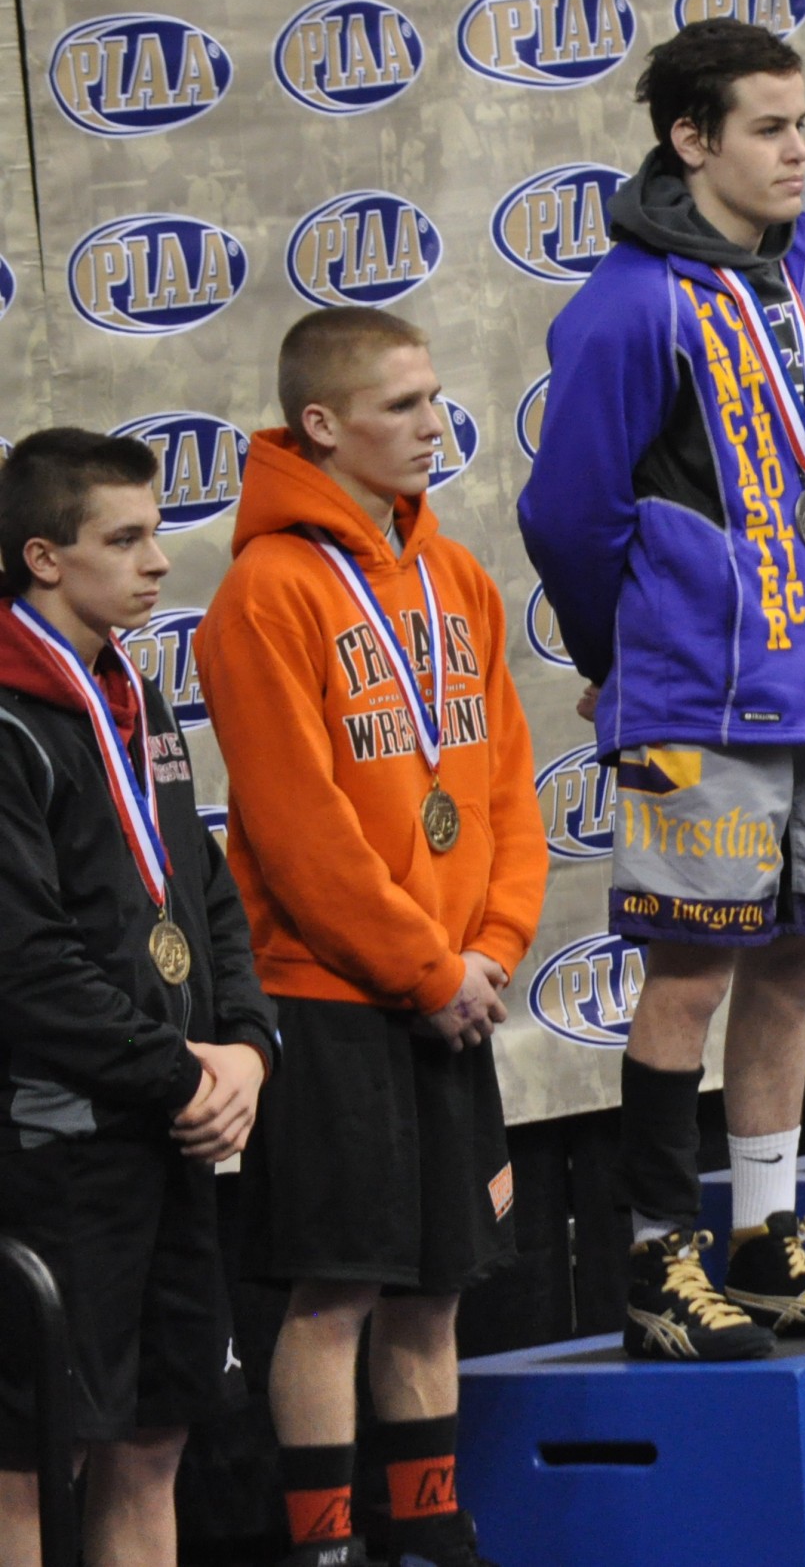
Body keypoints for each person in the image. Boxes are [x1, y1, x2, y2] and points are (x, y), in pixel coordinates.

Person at [520, 20, 805, 1360]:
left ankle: (765, 1244)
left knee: (800, 961)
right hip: (700, 698)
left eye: (802, 121)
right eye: (766, 126)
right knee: (689, 973)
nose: (798, 148)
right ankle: (654, 1265)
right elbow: (570, 513)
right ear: (691, 140)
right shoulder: (630, 304)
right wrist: (615, 654)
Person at [192, 312, 542, 1567]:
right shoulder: (262, 594)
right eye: (400, 406)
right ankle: (326, 1542)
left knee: (436, 1283)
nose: (434, 425)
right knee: (337, 1284)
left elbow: (506, 780)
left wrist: (492, 941)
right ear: (324, 425)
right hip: (332, 992)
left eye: (437, 399)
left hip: (456, 984)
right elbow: (298, 830)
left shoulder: (457, 580)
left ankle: (432, 1526)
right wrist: (427, 965)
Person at [0, 430, 276, 1567]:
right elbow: (24, 963)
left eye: (156, 530)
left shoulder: (135, 696)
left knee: (155, 1434)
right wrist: (181, 1074)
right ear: (44, 557)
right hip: (58, 1139)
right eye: (125, 538)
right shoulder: (14, 723)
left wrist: (247, 1047)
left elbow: (203, 886)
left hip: (175, 1129)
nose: (159, 560)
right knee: (33, 1450)